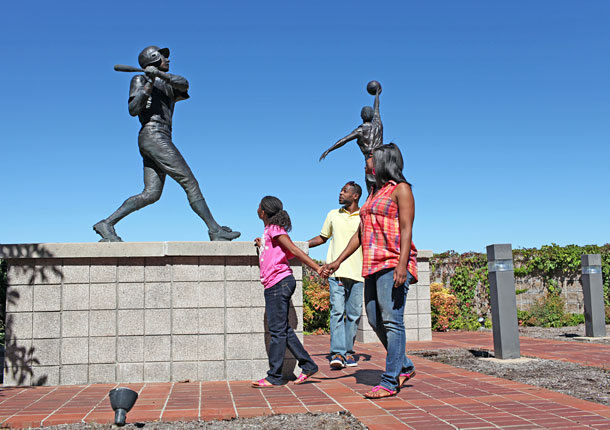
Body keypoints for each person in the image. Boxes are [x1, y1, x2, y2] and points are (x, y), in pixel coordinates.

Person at [93, 46, 240, 242]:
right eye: (163, 57)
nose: (168, 60)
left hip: (160, 137)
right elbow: (133, 109)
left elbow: (185, 84)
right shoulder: (140, 79)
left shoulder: (168, 84)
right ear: (154, 59)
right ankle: (214, 229)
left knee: (151, 194)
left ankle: (107, 223)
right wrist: (149, 82)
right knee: (190, 182)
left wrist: (161, 77)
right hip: (153, 134)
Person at [322, 143, 418, 399]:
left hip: (392, 263)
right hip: (372, 264)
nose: (366, 163)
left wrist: (401, 263)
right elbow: (362, 233)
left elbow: (407, 229)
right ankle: (405, 365)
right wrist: (337, 261)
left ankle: (389, 381)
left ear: (382, 162)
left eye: (370, 159)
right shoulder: (373, 193)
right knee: (375, 320)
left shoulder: (402, 190)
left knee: (392, 321)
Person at [252, 196, 320, 387]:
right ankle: (308, 365)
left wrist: (317, 268)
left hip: (278, 283)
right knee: (282, 329)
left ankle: (274, 376)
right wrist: (262, 244)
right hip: (277, 283)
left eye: (259, 207)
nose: (257, 209)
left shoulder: (274, 230)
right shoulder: (269, 231)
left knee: (277, 332)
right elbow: (282, 252)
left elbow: (294, 251)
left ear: (263, 212)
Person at [308, 181, 364, 370]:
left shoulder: (364, 216)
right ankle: (338, 353)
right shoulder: (333, 214)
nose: (340, 193)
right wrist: (299, 246)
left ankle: (348, 352)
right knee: (337, 312)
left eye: (345, 191)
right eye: (340, 190)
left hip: (359, 274)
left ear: (355, 195)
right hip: (336, 273)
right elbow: (322, 238)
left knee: (354, 315)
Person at [319, 85, 382, 194]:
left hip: (371, 159)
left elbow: (344, 140)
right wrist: (377, 94)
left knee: (372, 188)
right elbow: (377, 108)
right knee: (381, 185)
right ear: (372, 116)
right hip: (382, 159)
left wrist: (329, 149)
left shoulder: (360, 130)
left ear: (362, 116)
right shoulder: (378, 124)